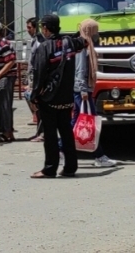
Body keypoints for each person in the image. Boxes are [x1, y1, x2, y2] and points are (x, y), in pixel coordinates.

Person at [30, 14, 85, 178]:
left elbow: (39, 73)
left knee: (50, 135)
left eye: (42, 27)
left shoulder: (44, 47)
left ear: (46, 28)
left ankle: (50, 168)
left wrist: (34, 95)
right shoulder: (70, 43)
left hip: (49, 98)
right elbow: (85, 41)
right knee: (66, 132)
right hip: (67, 96)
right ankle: (70, 167)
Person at [73, 18, 117, 167]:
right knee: (90, 123)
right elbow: (80, 70)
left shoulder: (87, 45)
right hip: (82, 91)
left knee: (76, 122)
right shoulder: (82, 46)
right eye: (95, 31)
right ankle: (99, 156)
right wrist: (83, 90)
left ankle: (60, 149)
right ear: (89, 31)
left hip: (82, 90)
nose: (97, 35)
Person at [0, 22, 18, 143]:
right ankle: (8, 131)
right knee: (4, 105)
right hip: (4, 77)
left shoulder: (3, 44)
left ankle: (6, 132)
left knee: (3, 105)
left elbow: (11, 61)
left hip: (5, 78)